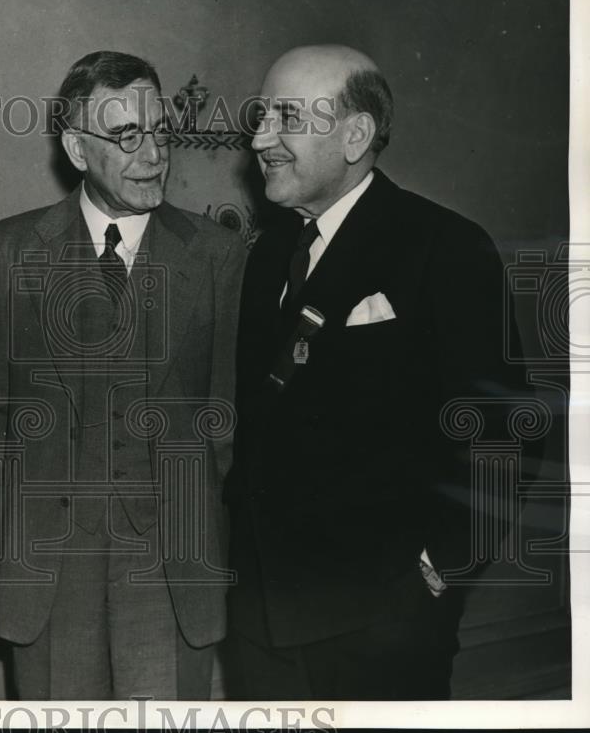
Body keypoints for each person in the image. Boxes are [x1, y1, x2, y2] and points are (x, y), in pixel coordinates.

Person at [225, 44, 527, 700]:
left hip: (382, 621)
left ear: (355, 135)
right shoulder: (267, 252)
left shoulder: (444, 245)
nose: (260, 137)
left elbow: (506, 430)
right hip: (259, 618)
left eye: (285, 117)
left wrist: (445, 564)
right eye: (261, 115)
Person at [0, 51, 246, 700]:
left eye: (161, 131)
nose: (153, 153)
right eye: (127, 136)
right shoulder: (7, 249)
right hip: (48, 574)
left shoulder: (219, 254)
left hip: (171, 573)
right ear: (75, 146)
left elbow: (229, 417)